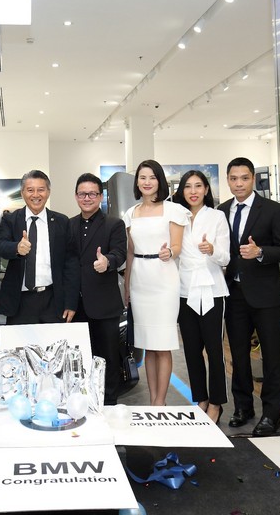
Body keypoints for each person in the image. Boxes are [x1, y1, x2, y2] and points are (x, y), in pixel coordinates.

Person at [218, 157, 280, 437]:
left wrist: (260, 252)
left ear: (253, 179)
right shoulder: (221, 211)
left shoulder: (274, 210)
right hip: (233, 294)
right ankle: (243, 407)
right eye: (233, 178)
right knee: (238, 355)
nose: (239, 183)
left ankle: (271, 414)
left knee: (272, 356)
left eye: (244, 178)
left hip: (265, 295)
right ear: (228, 180)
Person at [122, 159, 189, 406]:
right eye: (142, 177)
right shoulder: (131, 213)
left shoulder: (173, 210)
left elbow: (177, 246)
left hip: (164, 280)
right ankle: (153, 401)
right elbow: (130, 253)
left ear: (159, 181)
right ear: (137, 182)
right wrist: (127, 285)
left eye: (152, 177)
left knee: (162, 344)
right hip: (140, 280)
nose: (147, 182)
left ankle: (160, 401)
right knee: (147, 344)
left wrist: (169, 252)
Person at [173, 170, 230, 424]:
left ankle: (216, 403)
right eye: (188, 186)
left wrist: (211, 249)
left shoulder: (217, 217)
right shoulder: (178, 217)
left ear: (206, 189)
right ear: (182, 190)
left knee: (215, 351)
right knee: (192, 350)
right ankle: (201, 399)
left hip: (211, 291)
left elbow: (226, 258)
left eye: (198, 186)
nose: (193, 191)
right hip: (184, 291)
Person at [68, 173, 127, 405]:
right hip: (76, 305)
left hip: (104, 305)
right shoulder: (69, 224)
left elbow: (120, 253)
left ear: (100, 196)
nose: (87, 198)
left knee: (108, 358)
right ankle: (81, 402)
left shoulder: (114, 224)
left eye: (92, 194)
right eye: (82, 194)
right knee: (79, 358)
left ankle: (108, 402)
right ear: (76, 196)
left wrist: (108, 262)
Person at [0, 170, 78, 325]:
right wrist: (16, 248)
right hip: (19, 302)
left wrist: (70, 302)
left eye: (41, 189)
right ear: (22, 192)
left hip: (53, 300)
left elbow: (71, 263)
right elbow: (0, 245)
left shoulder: (62, 222)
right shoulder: (10, 220)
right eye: (30, 190)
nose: (36, 195)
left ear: (48, 192)